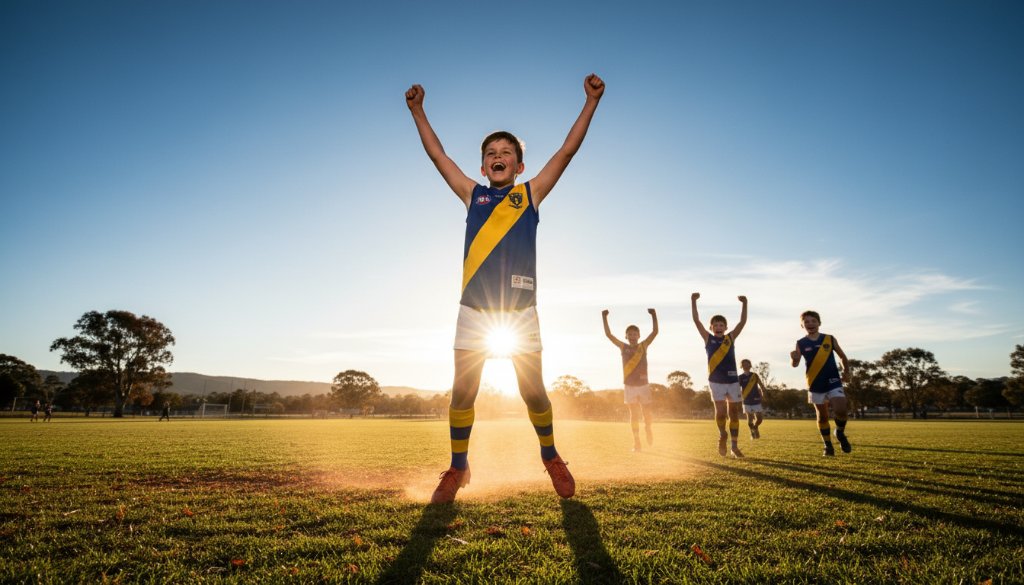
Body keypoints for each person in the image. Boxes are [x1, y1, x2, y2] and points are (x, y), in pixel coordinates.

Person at [406, 73, 605, 503]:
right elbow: (438, 155)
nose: (499, 157)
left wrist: (590, 103)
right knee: (463, 391)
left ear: (519, 166)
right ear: (482, 167)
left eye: (507, 153)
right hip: (474, 312)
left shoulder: (529, 195)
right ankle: (458, 468)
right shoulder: (471, 194)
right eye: (491, 154)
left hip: (519, 315)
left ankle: (551, 456)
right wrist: (419, 112)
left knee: (533, 391)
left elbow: (567, 151)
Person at [691, 293, 748, 457]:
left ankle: (734, 446)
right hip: (716, 381)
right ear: (711, 328)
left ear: (725, 327)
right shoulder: (708, 339)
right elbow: (696, 321)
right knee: (721, 412)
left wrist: (745, 303)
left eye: (721, 324)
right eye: (715, 325)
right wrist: (693, 301)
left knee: (734, 413)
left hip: (732, 381)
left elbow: (742, 322)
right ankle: (722, 435)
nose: (718, 327)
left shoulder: (730, 338)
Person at [791, 310, 852, 456]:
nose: (810, 324)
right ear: (802, 325)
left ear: (819, 323)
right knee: (822, 416)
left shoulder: (829, 339)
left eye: (813, 321)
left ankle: (840, 433)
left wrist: (846, 371)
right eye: (806, 322)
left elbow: (843, 357)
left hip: (833, 380)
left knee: (841, 409)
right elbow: (795, 364)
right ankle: (828, 445)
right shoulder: (800, 343)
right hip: (814, 382)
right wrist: (793, 358)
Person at [602, 308, 659, 452]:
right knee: (633, 415)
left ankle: (648, 428)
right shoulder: (623, 347)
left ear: (639, 335)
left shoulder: (643, 346)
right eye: (630, 334)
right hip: (629, 386)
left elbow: (655, 332)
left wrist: (653, 315)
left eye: (635, 334)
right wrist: (604, 317)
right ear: (626, 336)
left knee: (647, 414)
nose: (632, 336)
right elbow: (609, 334)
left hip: (643, 385)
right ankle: (637, 442)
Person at [738, 359, 766, 439]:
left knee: (760, 418)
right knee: (750, 419)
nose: (746, 365)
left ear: (750, 365)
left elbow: (761, 385)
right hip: (746, 400)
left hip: (756, 399)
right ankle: (753, 433)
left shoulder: (755, 375)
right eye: (744, 364)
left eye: (747, 364)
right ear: (742, 366)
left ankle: (755, 427)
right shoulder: (740, 377)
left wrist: (763, 392)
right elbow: (736, 388)